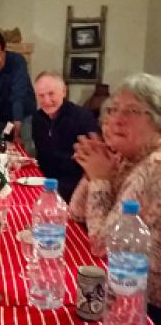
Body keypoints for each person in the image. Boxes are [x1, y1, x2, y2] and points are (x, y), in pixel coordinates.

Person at [71, 73, 161, 323]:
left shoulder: (155, 166)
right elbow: (76, 213)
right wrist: (93, 170)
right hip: (121, 287)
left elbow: (101, 246)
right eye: (112, 110)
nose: (117, 119)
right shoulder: (127, 155)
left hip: (144, 305)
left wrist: (99, 178)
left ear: (157, 121)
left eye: (132, 110)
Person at [32, 71, 99, 203]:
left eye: (51, 94)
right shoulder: (37, 118)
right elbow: (42, 156)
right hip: (45, 182)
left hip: (74, 188)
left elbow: (92, 163)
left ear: (64, 91)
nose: (46, 101)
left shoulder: (82, 117)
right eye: (41, 96)